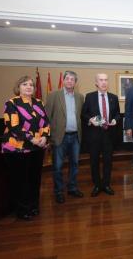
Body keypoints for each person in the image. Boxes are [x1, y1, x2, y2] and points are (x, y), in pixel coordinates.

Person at [1, 75, 50, 220]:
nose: (29, 87)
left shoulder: (39, 103)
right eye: (24, 84)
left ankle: (33, 206)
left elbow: (46, 123)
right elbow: (14, 127)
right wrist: (33, 139)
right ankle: (22, 210)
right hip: (17, 148)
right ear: (18, 87)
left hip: (37, 148)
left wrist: (44, 137)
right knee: (21, 181)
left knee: (35, 179)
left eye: (31, 85)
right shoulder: (12, 103)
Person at [45, 71, 84, 204]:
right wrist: (47, 137)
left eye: (72, 79)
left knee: (75, 164)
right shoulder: (53, 96)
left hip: (75, 137)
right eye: (67, 79)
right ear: (63, 80)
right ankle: (59, 191)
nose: (69, 81)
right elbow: (47, 117)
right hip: (59, 137)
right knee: (58, 166)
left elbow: (80, 117)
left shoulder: (80, 97)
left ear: (75, 82)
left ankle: (72, 188)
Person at [81, 73, 120, 197]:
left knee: (108, 161)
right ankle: (97, 185)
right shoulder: (89, 97)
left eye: (106, 80)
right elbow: (83, 114)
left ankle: (106, 184)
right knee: (94, 161)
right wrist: (90, 120)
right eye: (101, 80)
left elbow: (117, 114)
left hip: (109, 135)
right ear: (96, 83)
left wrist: (115, 120)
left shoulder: (113, 97)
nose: (104, 82)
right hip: (94, 135)